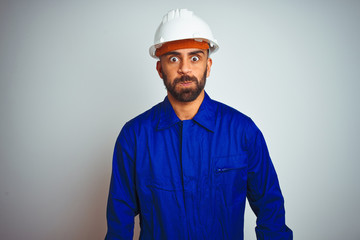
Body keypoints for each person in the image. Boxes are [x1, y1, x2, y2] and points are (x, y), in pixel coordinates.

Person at [106, 8, 293, 240]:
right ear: (159, 68)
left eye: (195, 57)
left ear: (208, 65)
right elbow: (119, 225)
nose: (185, 68)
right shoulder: (134, 137)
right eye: (173, 58)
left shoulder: (243, 132)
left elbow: (271, 212)